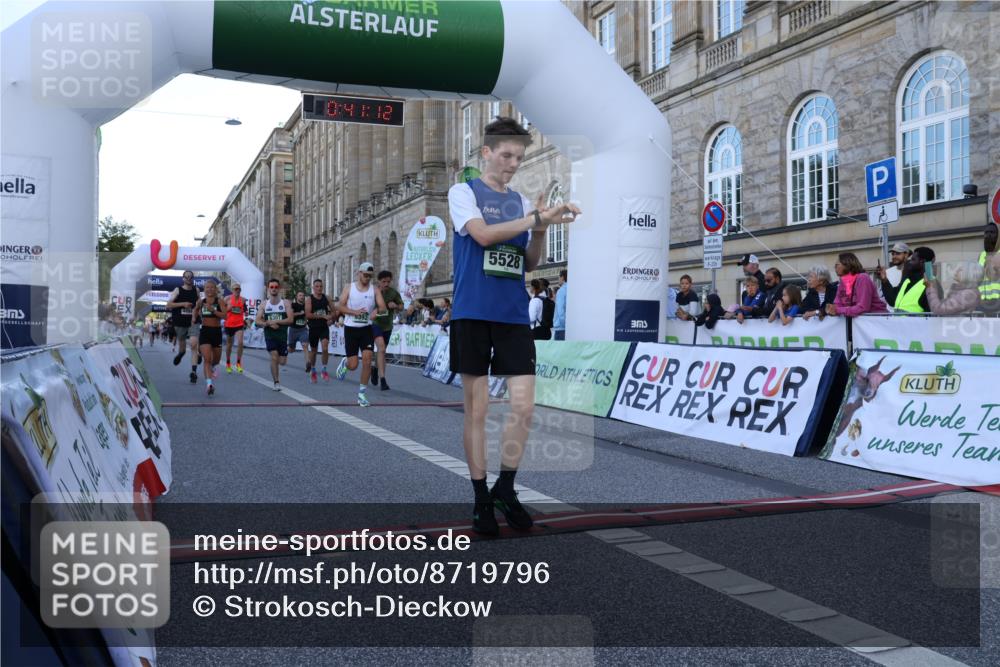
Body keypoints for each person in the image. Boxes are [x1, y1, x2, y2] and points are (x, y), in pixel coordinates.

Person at [448, 116, 581, 536]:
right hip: (471, 312)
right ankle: (480, 498)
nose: (512, 164)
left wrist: (539, 229)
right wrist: (534, 220)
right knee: (478, 410)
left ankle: (506, 486)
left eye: (519, 157)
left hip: (512, 316)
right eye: (506, 155)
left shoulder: (523, 201)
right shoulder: (463, 192)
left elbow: (529, 263)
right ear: (485, 152)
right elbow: (483, 236)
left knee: (523, 408)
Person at [335, 262, 388, 407]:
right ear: (359, 273)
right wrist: (353, 312)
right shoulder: (349, 287)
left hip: (366, 329)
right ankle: (345, 363)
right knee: (353, 365)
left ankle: (362, 395)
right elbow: (339, 306)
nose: (367, 278)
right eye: (365, 275)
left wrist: (375, 312)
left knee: (367, 359)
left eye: (370, 276)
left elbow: (383, 307)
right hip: (351, 328)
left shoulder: (374, 289)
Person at [255, 278, 294, 391]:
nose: (274, 289)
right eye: (271, 287)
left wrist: (276, 321)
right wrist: (268, 323)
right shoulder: (264, 304)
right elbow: (257, 321)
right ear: (268, 289)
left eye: (276, 287)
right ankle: (276, 382)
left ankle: (276, 368)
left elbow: (290, 319)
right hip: (270, 336)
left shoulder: (285, 303)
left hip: (282, 337)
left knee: (282, 362)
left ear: (279, 289)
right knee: (274, 356)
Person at [166, 270, 202, 384]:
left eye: (191, 277)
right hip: (180, 322)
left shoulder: (196, 290)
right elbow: (168, 305)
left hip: (193, 321)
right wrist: (183, 304)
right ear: (183, 278)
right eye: (186, 277)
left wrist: (199, 310)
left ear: (193, 279)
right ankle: (181, 354)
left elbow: (199, 305)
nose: (189, 279)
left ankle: (193, 372)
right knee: (183, 348)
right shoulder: (178, 290)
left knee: (193, 344)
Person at [193, 279, 228, 395]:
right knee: (207, 359)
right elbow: (195, 310)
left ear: (215, 289)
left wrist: (213, 310)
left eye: (212, 287)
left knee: (216, 360)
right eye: (207, 287)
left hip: (216, 332)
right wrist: (194, 318)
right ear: (204, 289)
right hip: (205, 331)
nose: (209, 289)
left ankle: (213, 367)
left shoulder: (220, 301)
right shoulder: (201, 301)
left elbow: (225, 316)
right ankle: (209, 384)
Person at [828, 252, 888, 317]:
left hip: (877, 321)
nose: (835, 267)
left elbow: (863, 307)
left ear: (847, 264)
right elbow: (837, 304)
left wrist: (838, 310)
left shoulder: (863, 278)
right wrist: (832, 309)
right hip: (861, 323)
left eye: (837, 264)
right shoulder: (842, 282)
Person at [371, 270, 403, 391]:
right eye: (383, 281)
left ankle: (375, 368)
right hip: (375, 324)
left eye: (388, 281)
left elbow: (401, 306)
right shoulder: (373, 292)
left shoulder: (393, 293)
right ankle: (383, 380)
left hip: (387, 326)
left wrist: (395, 306)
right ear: (379, 281)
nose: (386, 284)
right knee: (382, 348)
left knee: (382, 352)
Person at [306, 278, 333, 382]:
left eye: (321, 286)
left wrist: (332, 319)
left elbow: (334, 311)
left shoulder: (327, 298)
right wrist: (322, 316)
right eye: (317, 286)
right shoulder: (309, 300)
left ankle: (324, 370)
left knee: (325, 348)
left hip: (324, 327)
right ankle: (313, 369)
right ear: (313, 288)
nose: (319, 288)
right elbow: (308, 314)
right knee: (313, 351)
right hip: (313, 328)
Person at [892, 246, 935, 313]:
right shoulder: (907, 281)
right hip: (898, 323)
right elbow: (892, 300)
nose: (909, 262)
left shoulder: (931, 285)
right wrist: (884, 281)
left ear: (922, 262)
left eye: (913, 259)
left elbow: (931, 317)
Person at [223, 283, 248, 374]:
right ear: (232, 290)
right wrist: (229, 308)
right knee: (229, 344)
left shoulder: (243, 300)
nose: (237, 291)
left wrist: (247, 317)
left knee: (240, 342)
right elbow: (222, 311)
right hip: (229, 324)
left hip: (239, 324)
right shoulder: (227, 299)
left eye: (238, 289)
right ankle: (228, 363)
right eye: (235, 289)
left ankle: (238, 363)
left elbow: (246, 311)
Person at [978, 222, 1000, 313]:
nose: (988, 235)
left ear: (998, 236)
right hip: (983, 305)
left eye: (992, 232)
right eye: (986, 233)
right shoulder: (981, 255)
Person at [287, 291, 310, 365]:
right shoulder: (293, 305)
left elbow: (307, 316)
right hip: (293, 329)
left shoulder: (306, 306)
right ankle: (282, 351)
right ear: (296, 297)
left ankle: (308, 363)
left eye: (303, 295)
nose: (302, 297)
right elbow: (290, 315)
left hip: (302, 329)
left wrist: (306, 323)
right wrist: (300, 313)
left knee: (305, 345)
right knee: (291, 349)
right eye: (300, 295)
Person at [553, 269, 568, 340]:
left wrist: (564, 324)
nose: (558, 279)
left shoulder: (561, 291)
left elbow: (560, 310)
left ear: (562, 277)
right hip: (570, 327)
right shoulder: (573, 289)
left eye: (559, 277)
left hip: (561, 328)